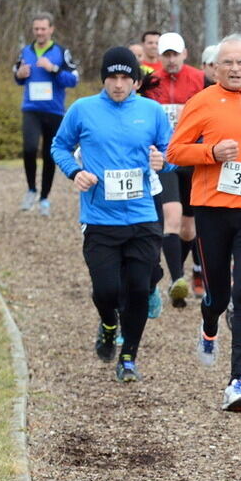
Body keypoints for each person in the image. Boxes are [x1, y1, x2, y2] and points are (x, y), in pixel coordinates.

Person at [167, 35, 241, 411]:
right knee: (217, 295)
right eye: (228, 63)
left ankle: (237, 381)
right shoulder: (201, 102)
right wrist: (211, 152)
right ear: (215, 68)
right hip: (212, 209)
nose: (235, 69)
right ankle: (208, 327)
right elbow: (175, 151)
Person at [50, 47, 170, 382]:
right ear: (103, 78)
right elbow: (59, 146)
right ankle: (107, 324)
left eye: (125, 78)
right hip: (100, 218)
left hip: (143, 216)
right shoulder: (83, 110)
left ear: (135, 80)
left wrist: (164, 161)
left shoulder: (151, 111)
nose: (118, 84)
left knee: (137, 289)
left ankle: (128, 356)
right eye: (112, 77)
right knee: (106, 291)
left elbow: (171, 150)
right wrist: (76, 172)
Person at [143, 32, 206, 309]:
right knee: (171, 216)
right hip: (164, 158)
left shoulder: (200, 79)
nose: (170, 60)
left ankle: (184, 273)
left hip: (192, 158)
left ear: (184, 54)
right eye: (166, 55)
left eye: (175, 55)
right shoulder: (149, 79)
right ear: (160, 56)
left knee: (188, 229)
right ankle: (177, 280)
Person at [13, 11, 79, 215]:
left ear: (51, 29)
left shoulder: (61, 52)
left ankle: (44, 198)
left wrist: (54, 69)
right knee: (30, 148)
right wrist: (19, 75)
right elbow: (17, 76)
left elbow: (74, 79)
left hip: (54, 111)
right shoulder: (25, 51)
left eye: (43, 28)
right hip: (31, 109)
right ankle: (31, 189)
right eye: (36, 29)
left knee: (51, 154)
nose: (40, 32)